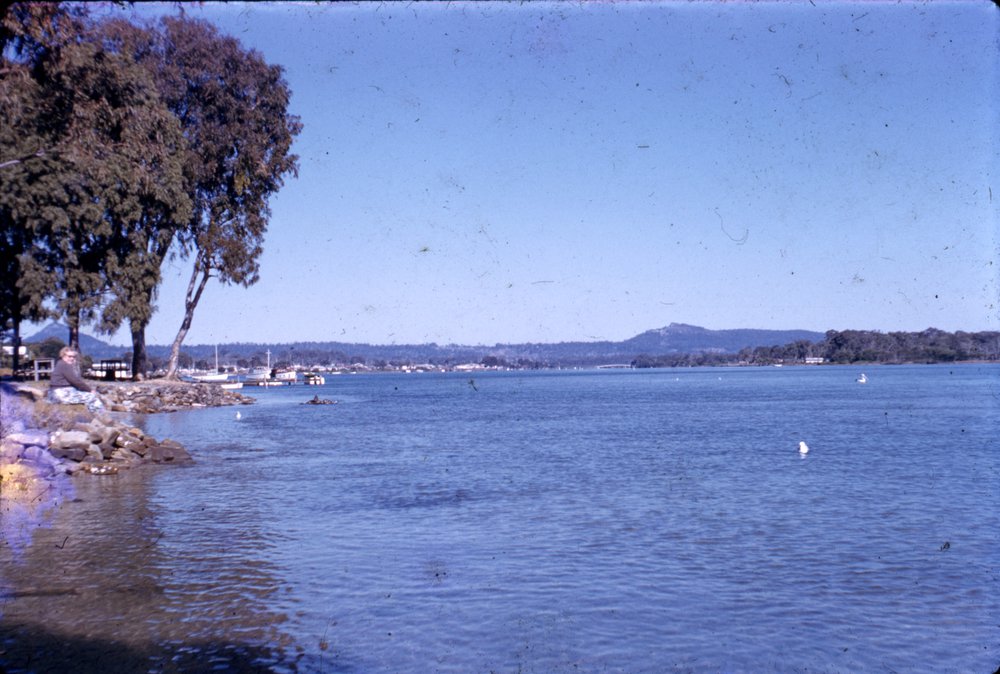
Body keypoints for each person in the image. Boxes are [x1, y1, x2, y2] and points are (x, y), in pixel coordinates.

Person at [49, 346, 104, 413]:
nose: (72, 358)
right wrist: (90, 390)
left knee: (85, 394)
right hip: (61, 394)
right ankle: (100, 416)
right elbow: (75, 381)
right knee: (92, 397)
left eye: (74, 357)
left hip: (56, 393)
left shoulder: (60, 363)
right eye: (69, 356)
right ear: (63, 356)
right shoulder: (65, 365)